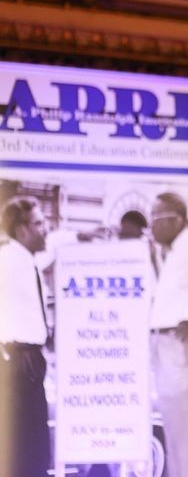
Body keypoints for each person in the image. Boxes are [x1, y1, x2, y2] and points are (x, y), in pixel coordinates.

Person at [149, 192, 188, 477]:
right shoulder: (173, 252)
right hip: (166, 347)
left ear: (177, 219)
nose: (152, 226)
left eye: (156, 219)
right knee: (174, 431)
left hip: (181, 347)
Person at [0, 196, 51, 477]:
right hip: (14, 360)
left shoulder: (27, 260)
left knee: (34, 447)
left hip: (30, 360)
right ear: (21, 230)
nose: (45, 229)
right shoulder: (6, 259)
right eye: (39, 223)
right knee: (20, 449)